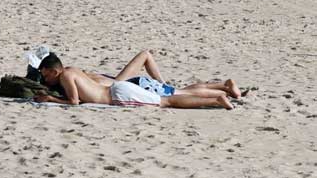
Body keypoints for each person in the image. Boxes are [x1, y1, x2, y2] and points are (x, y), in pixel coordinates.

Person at [34, 52, 234, 109]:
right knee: (172, 95)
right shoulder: (73, 70)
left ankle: (216, 99)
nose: (44, 77)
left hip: (118, 95)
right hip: (119, 89)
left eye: (45, 74)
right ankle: (220, 93)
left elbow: (74, 102)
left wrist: (50, 100)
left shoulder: (67, 76)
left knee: (168, 100)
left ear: (54, 71)